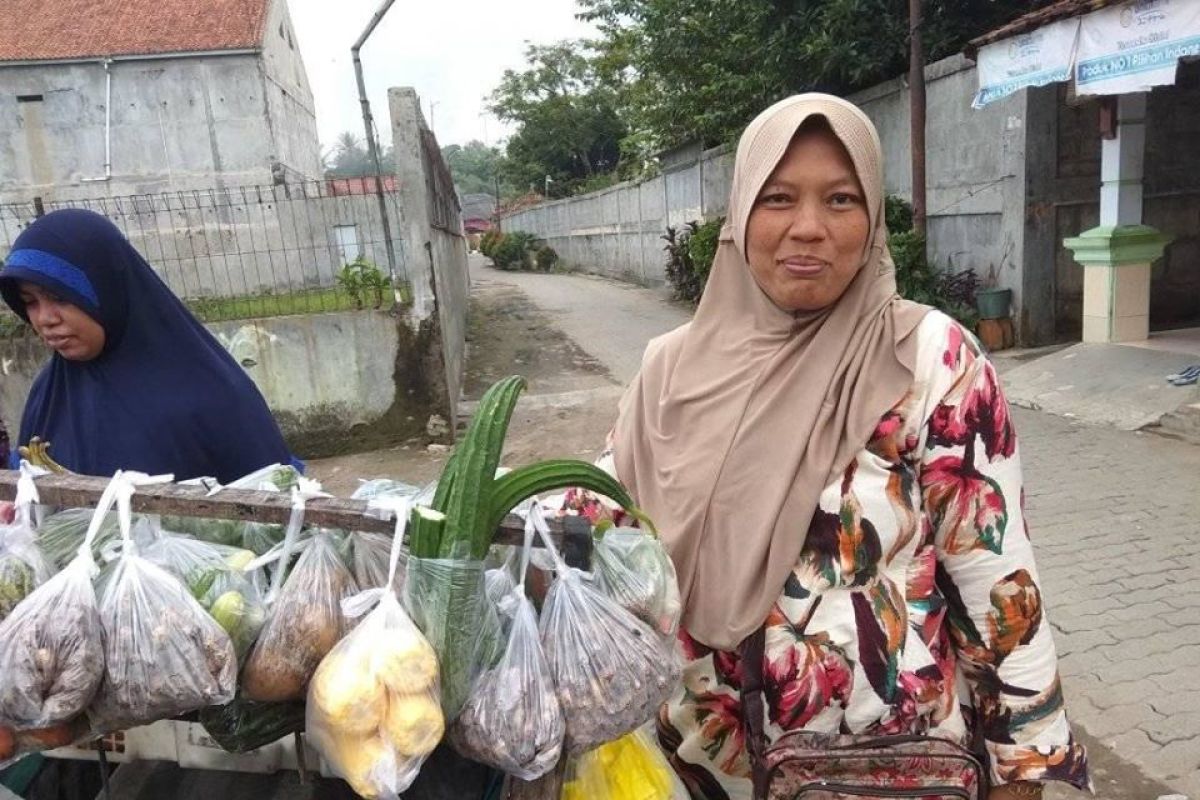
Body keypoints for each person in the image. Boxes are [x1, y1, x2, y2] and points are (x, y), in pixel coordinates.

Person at [590, 95, 1090, 799]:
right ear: (739, 214)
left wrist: (1022, 768)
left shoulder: (929, 358)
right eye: (778, 198)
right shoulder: (669, 368)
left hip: (891, 768)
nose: (808, 228)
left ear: (873, 218)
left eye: (841, 199)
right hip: (701, 763)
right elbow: (602, 522)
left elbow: (995, 575)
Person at [0, 208, 294, 483]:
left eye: (61, 297)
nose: (45, 318)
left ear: (108, 290)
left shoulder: (210, 393)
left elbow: (278, 506)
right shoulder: (49, 394)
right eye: (30, 303)